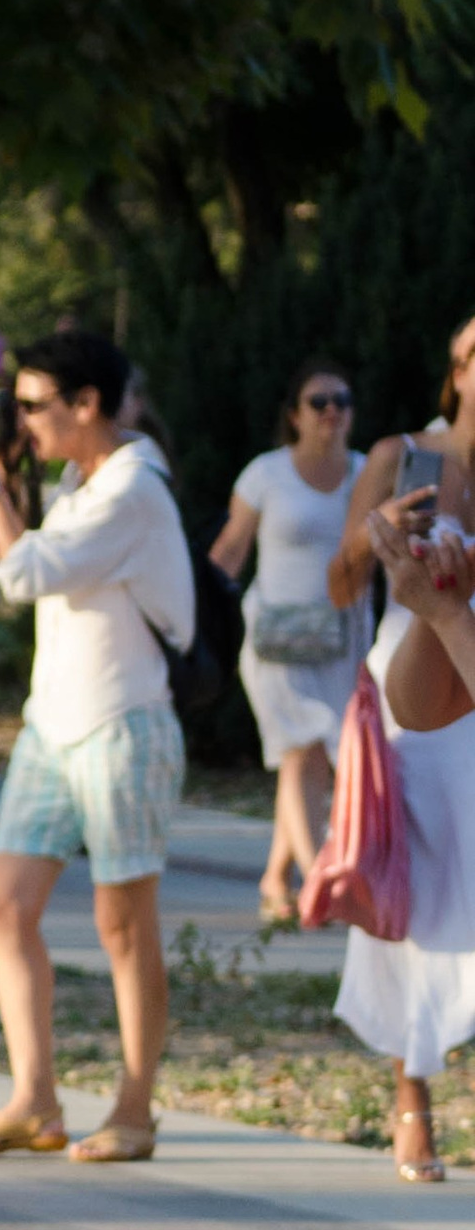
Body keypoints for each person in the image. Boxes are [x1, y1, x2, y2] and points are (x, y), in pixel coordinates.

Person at [0, 329, 191, 1163]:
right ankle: (35, 1096)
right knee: (1, 905)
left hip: (124, 723)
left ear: (88, 405)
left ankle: (135, 1105)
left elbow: (28, 574)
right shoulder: (79, 481)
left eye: (36, 405)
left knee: (124, 921)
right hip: (53, 724)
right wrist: (3, 482)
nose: (23, 420)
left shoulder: (134, 487)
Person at [328, 316, 475, 1189]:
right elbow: (339, 583)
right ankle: (411, 1094)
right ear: (455, 369)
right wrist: (371, 533)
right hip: (415, 687)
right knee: (416, 884)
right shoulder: (402, 453)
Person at [211, 358, 368, 924]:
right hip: (273, 637)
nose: (332, 412)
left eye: (341, 401)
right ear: (295, 415)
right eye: (319, 401)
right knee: (303, 750)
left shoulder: (366, 470)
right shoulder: (265, 474)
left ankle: (275, 878)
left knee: (321, 757)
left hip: (341, 637)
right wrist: (202, 615)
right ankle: (317, 881)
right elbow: (231, 549)